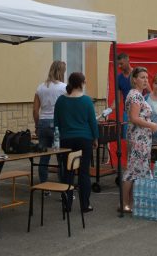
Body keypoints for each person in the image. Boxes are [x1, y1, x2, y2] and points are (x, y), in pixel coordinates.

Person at [54, 72, 98, 213]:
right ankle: (85, 205)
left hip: (66, 139)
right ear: (81, 83)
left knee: (68, 172)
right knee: (84, 172)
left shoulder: (61, 100)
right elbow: (92, 122)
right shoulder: (87, 101)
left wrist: (57, 140)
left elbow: (56, 122)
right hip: (84, 139)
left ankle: (67, 205)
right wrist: (95, 138)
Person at [121, 67, 157, 212]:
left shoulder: (137, 95)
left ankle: (129, 203)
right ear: (134, 79)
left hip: (141, 138)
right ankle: (124, 203)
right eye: (142, 77)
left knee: (136, 169)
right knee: (132, 170)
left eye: (146, 78)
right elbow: (134, 118)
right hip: (138, 138)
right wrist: (151, 125)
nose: (145, 80)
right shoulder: (135, 95)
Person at [33, 61, 67, 184]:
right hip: (57, 124)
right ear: (61, 72)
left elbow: (35, 110)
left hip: (43, 123)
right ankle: (63, 186)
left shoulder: (40, 87)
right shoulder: (64, 87)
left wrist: (37, 125)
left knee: (44, 157)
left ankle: (44, 186)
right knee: (61, 157)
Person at [111, 53, 151, 138]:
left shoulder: (138, 75)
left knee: (142, 136)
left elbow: (150, 92)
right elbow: (117, 99)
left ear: (128, 61)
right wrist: (110, 109)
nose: (119, 66)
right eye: (118, 64)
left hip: (141, 112)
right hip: (127, 112)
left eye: (121, 64)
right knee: (129, 137)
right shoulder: (119, 78)